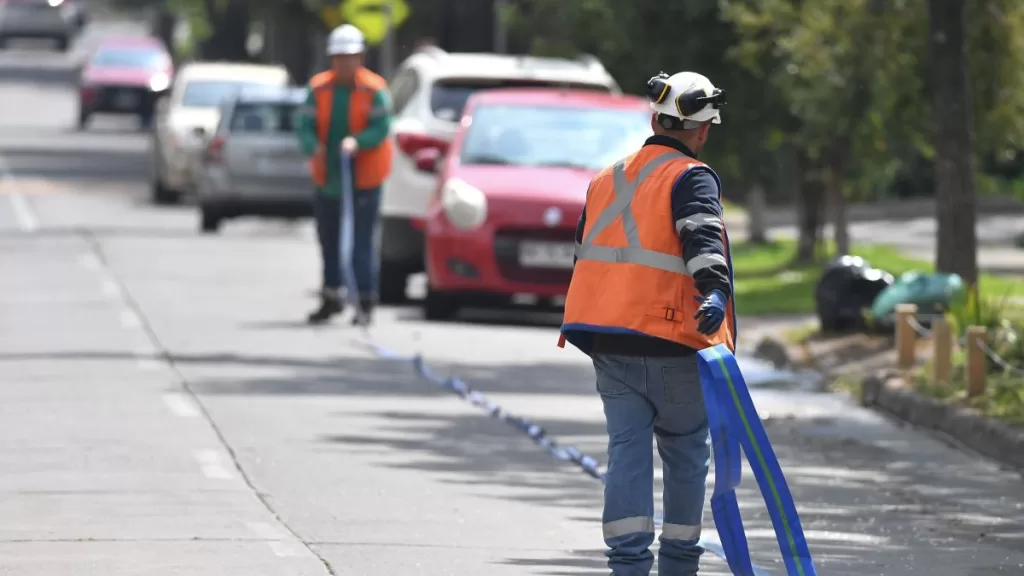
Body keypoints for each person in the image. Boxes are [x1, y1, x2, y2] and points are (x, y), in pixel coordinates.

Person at [558, 71, 734, 576]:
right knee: (684, 456)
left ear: (655, 119)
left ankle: (628, 566)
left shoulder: (605, 178)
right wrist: (716, 292)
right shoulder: (691, 176)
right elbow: (700, 236)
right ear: (702, 131)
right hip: (673, 340)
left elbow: (585, 257)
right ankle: (678, 564)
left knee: (627, 454)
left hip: (608, 342)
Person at [296, 24, 394, 325]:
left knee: (361, 242)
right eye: (339, 57)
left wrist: (358, 142)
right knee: (329, 241)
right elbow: (304, 126)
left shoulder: (374, 89)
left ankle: (365, 300)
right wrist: (313, 146)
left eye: (350, 56)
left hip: (363, 180)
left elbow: (382, 126)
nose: (345, 63)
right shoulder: (319, 88)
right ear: (331, 58)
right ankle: (331, 296)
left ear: (361, 57)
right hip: (329, 178)